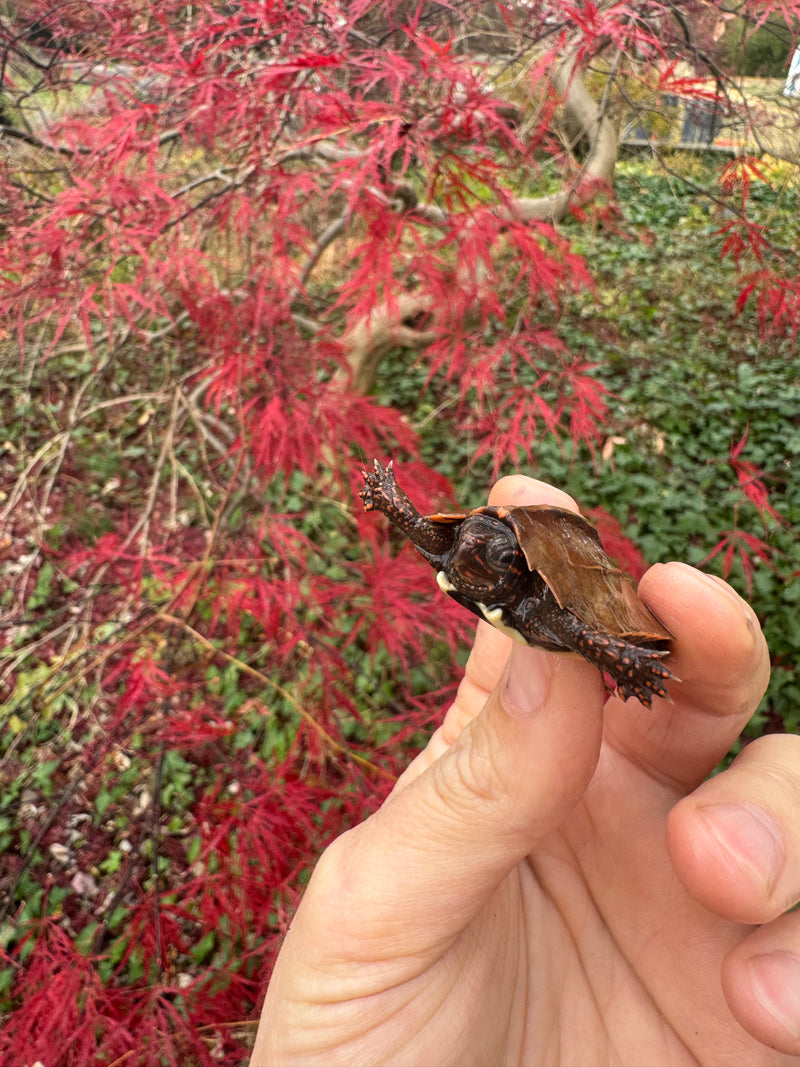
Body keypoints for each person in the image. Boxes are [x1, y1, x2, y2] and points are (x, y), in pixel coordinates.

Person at [251, 476, 800, 1066]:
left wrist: (628, 661)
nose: (474, 553)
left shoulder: (543, 603)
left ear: (517, 571)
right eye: (470, 541)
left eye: (495, 553)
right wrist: (389, 498)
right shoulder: (459, 548)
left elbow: (588, 631)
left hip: (572, 602)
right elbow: (424, 529)